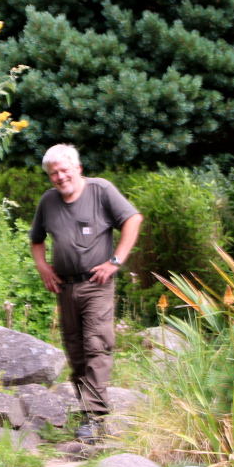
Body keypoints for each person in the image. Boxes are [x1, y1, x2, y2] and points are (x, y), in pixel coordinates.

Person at [29, 144, 143, 442]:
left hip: (97, 284)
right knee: (76, 351)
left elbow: (133, 219)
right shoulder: (48, 202)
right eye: (54, 173)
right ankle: (89, 411)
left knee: (96, 345)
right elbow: (36, 239)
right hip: (65, 286)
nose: (60, 177)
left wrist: (115, 261)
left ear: (78, 168)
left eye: (65, 170)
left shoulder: (101, 191)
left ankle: (94, 417)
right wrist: (43, 268)